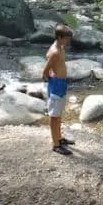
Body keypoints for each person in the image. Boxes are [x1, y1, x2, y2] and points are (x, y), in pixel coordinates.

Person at [43, 24, 75, 155]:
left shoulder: (60, 48)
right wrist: (50, 78)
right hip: (56, 85)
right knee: (54, 116)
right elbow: (45, 70)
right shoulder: (55, 52)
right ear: (59, 37)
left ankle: (59, 138)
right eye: (66, 39)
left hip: (61, 83)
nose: (68, 41)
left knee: (58, 114)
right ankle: (55, 144)